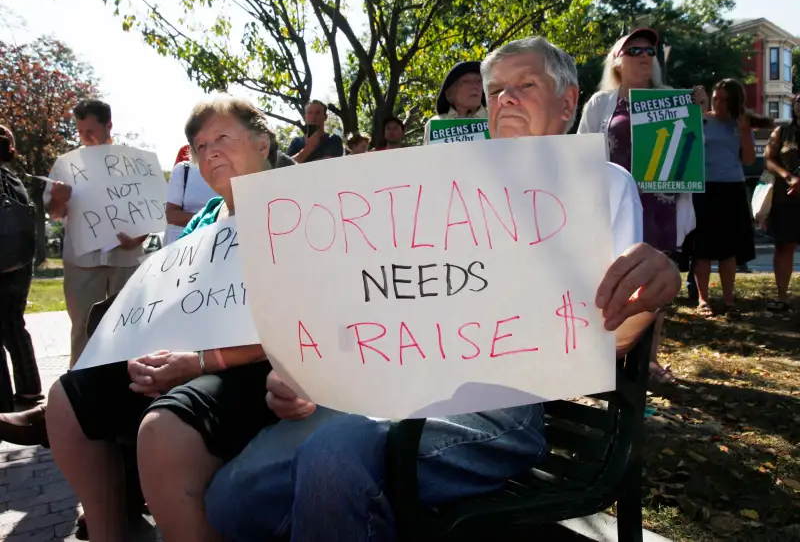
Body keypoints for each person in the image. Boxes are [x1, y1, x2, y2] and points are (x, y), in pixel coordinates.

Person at [203, 36, 682, 542]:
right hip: (394, 386)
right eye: (495, 90)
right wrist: (309, 369)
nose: (506, 99)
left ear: (567, 103)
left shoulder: (600, 185)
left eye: (525, 85)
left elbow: (611, 333)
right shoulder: (433, 189)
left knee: (335, 455)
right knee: (231, 498)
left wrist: (656, 286)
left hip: (500, 401)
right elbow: (378, 297)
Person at [45, 96, 281, 542]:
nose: (209, 151)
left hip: (268, 364)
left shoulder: (299, 206)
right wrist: (141, 352)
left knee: (163, 432)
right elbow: (168, 299)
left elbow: (311, 321)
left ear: (262, 142)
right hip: (191, 355)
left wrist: (203, 362)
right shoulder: (205, 221)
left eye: (223, 137)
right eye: (199, 145)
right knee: (68, 400)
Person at [577, 28, 697, 384]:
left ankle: (648, 361)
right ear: (616, 59)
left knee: (652, 287)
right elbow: (583, 155)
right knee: (609, 277)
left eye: (650, 51)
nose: (644, 56)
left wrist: (695, 111)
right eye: (634, 50)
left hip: (658, 207)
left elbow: (689, 149)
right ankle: (603, 354)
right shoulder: (600, 104)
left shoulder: (671, 100)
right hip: (614, 208)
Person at [45, 100, 147, 368]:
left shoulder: (134, 162)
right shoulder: (66, 165)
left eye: (91, 130)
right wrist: (58, 199)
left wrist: (139, 238)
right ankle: (77, 392)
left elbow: (150, 211)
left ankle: (127, 389)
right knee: (82, 330)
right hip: (82, 261)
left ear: (108, 125)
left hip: (125, 260)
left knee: (126, 328)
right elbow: (55, 214)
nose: (85, 137)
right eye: (80, 131)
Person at [691, 79, 756, 318]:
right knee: (703, 249)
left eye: (724, 100)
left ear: (735, 101)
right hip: (704, 187)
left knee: (728, 251)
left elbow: (749, 160)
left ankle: (729, 301)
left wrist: (743, 131)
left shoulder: (740, 124)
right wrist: (699, 106)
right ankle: (703, 300)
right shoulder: (703, 119)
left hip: (732, 188)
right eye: (716, 98)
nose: (718, 103)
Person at [0, 124, 43, 409]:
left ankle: (2, 396)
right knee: (15, 324)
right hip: (19, 262)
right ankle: (30, 390)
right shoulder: (14, 179)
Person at [764, 92, 800, 310]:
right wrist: (789, 177)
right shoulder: (783, 131)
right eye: (798, 102)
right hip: (785, 200)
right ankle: (782, 296)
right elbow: (769, 159)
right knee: (784, 247)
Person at [422, 61, 487, 145]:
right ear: (451, 93)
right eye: (466, 81)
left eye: (479, 81)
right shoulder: (434, 124)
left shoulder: (495, 120)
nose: (475, 86)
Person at [164, 145, 217, 245]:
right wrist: (211, 220)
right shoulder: (183, 169)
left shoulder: (236, 171)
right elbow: (171, 215)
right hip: (185, 245)